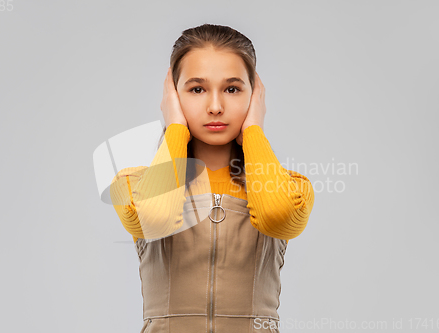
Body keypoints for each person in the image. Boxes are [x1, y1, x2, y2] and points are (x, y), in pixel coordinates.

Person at [110, 23, 315, 333]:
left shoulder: (289, 187)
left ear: (254, 95)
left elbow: (276, 214)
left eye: (232, 89)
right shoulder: (133, 184)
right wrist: (175, 126)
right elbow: (156, 217)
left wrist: (254, 129)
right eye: (196, 89)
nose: (216, 106)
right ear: (172, 96)